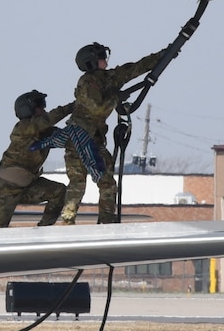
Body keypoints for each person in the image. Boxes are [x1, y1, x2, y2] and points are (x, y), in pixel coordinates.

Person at [60, 41, 165, 224]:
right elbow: (97, 108)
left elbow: (135, 68)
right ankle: (67, 222)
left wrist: (165, 54)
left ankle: (106, 223)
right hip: (78, 140)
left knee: (107, 183)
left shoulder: (108, 78)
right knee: (78, 184)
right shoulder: (87, 83)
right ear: (92, 62)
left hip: (94, 141)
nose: (106, 61)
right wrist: (116, 98)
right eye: (102, 58)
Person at [0, 90, 76, 234]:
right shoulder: (23, 128)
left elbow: (68, 137)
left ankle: (43, 231)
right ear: (28, 109)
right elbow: (49, 119)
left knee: (58, 191)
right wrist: (73, 106)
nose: (43, 109)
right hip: (6, 189)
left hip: (28, 186)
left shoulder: (44, 132)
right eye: (40, 105)